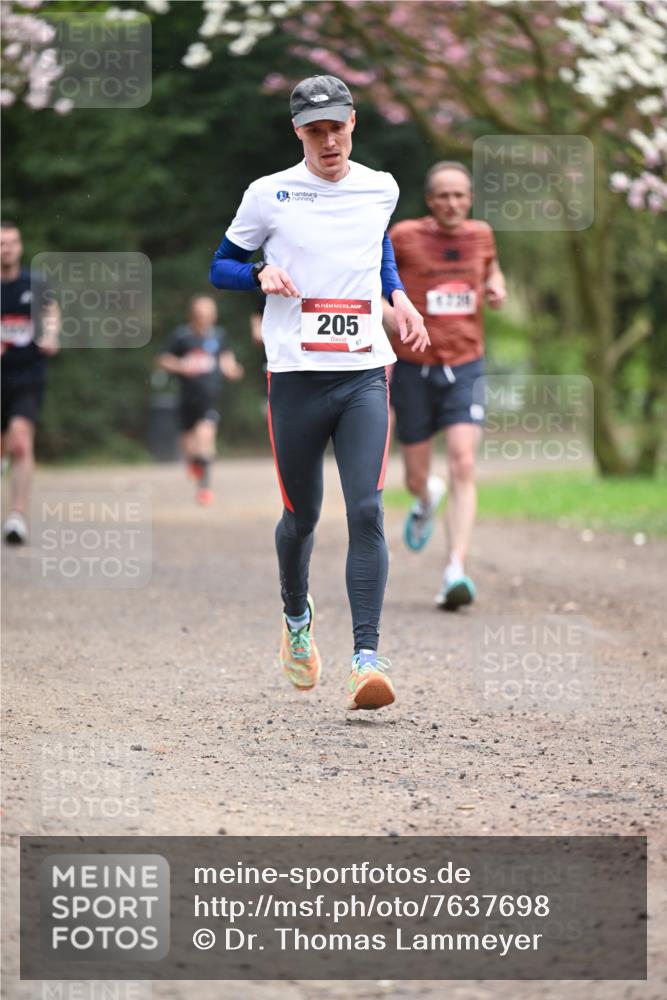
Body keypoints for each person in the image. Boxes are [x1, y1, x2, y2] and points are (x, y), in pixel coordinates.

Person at [210, 74, 428, 711]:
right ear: (297, 132)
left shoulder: (380, 186)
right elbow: (219, 265)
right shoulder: (268, 194)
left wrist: (398, 295)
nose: (328, 139)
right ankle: (297, 622)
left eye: (336, 126)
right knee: (301, 516)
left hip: (363, 371)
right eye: (314, 129)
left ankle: (367, 659)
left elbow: (376, 247)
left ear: (353, 122)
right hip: (296, 378)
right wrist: (257, 271)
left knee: (366, 508)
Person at [384, 162, 506, 610]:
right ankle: (424, 497)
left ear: (469, 198)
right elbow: (373, 283)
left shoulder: (482, 235)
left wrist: (495, 286)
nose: (453, 203)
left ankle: (455, 569)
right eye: (444, 196)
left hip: (466, 365)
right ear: (430, 201)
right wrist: (394, 316)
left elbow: (491, 270)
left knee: (463, 463)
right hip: (415, 367)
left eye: (460, 195)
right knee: (417, 475)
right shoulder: (404, 236)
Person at [1, 221, 60, 545]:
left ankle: (17, 516)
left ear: (20, 246)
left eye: (11, 242)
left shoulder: (34, 284)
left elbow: (51, 313)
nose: (6, 248)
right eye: (1, 243)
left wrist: (51, 334)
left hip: (26, 375)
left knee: (21, 441)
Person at [156, 295, 243, 505]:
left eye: (209, 314)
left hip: (209, 397)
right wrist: (182, 366)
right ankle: (193, 461)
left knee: (205, 436)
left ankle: (204, 489)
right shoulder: (181, 336)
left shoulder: (219, 336)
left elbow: (227, 361)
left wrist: (233, 369)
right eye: (201, 314)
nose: (205, 318)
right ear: (193, 315)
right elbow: (163, 359)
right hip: (186, 397)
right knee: (188, 444)